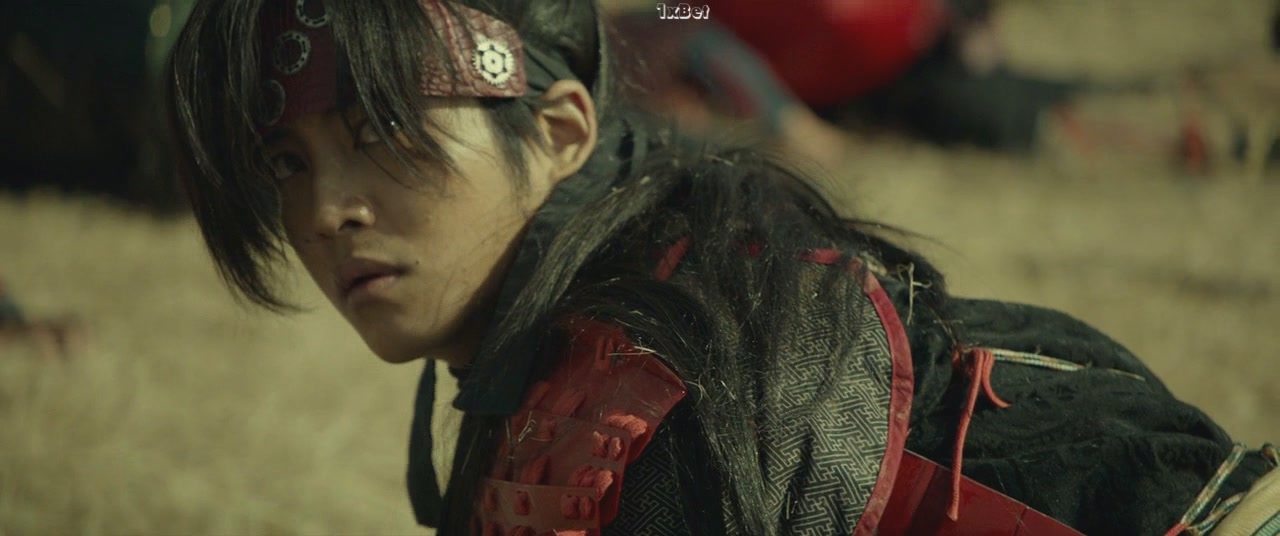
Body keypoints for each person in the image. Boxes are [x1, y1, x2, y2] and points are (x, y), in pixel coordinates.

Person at [164, 1, 1278, 534]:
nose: (325, 211)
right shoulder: (554, 345)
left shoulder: (646, 382)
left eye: (385, 133)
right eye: (287, 164)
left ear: (559, 131)